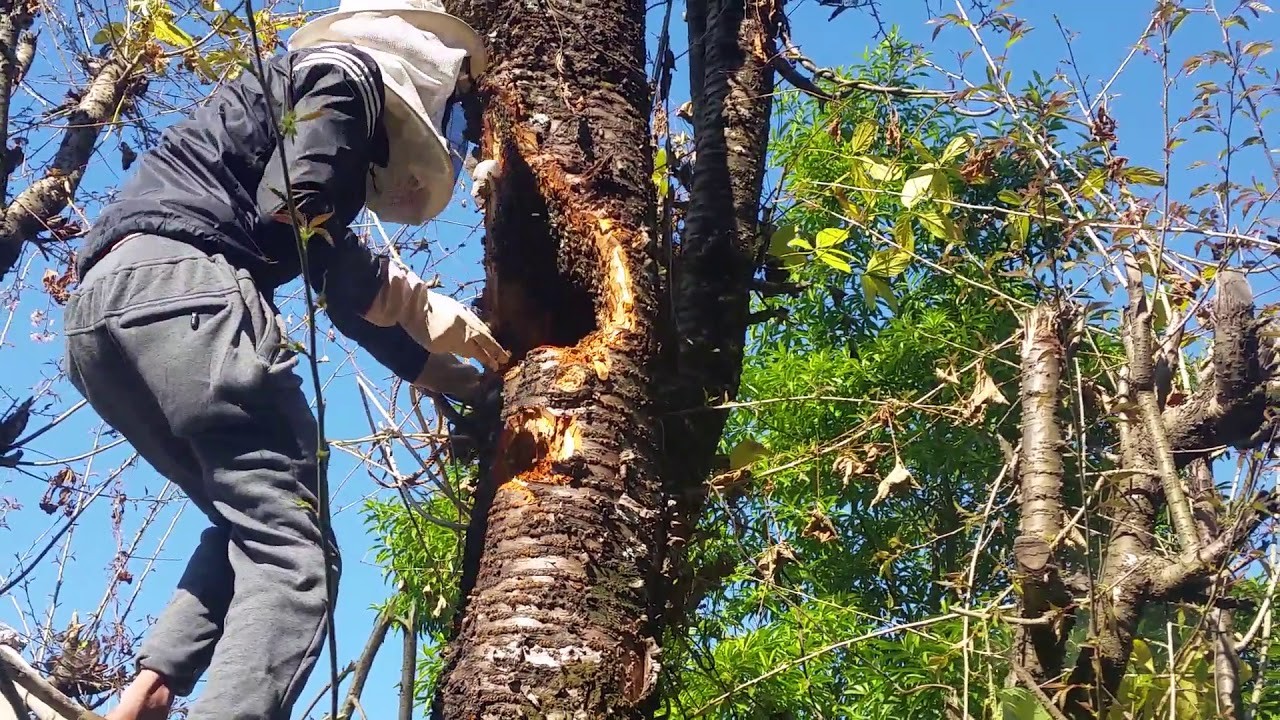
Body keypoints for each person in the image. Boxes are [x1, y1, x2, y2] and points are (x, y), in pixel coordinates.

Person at [61, 1, 506, 718]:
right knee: (297, 557)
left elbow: (323, 263)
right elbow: (299, 208)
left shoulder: (287, 85)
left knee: (252, 525)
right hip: (187, 293)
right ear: (429, 69)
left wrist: (432, 367)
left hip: (102, 316)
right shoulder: (346, 77)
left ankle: (148, 691)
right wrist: (410, 300)